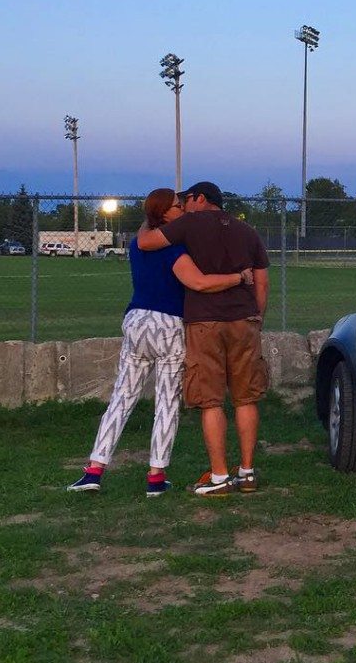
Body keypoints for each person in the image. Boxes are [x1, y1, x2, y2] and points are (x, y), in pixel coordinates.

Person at [67, 188, 252, 497]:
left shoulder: (139, 245)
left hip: (136, 321)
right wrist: (238, 278)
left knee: (122, 398)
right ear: (166, 213)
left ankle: (94, 470)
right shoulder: (175, 251)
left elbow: (146, 228)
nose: (183, 210)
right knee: (166, 402)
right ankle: (155, 477)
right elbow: (198, 283)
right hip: (167, 324)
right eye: (177, 207)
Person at [137, 180, 270, 497]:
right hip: (244, 320)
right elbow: (262, 282)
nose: (183, 205)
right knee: (246, 397)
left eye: (186, 199)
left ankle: (220, 477)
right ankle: (247, 473)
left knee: (210, 400)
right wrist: (256, 317)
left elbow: (146, 243)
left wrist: (147, 219)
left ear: (200, 199)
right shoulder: (247, 231)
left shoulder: (188, 224)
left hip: (204, 322)